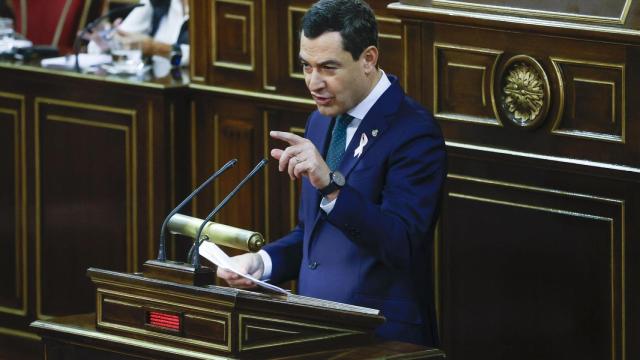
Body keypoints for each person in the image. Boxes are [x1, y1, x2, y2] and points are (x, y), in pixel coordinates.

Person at [217, 0, 446, 346]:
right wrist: (262, 262)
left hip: (381, 339)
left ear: (368, 59)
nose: (314, 83)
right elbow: (314, 237)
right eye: (306, 66)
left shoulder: (413, 132)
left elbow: (401, 244)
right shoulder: (320, 122)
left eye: (328, 67)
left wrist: (331, 186)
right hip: (316, 331)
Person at [88, 0, 189, 66]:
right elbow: (123, 36)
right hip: (154, 89)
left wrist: (157, 48)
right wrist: (109, 42)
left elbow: (201, 62)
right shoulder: (157, 3)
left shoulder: (203, 10)